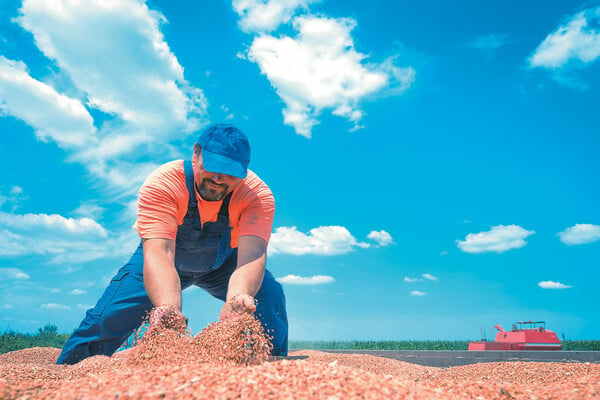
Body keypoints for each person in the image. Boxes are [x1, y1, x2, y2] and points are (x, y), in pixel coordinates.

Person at [57, 124, 288, 364]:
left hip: (223, 265)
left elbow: (252, 255)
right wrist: (169, 310)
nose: (219, 179)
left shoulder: (257, 196)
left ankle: (270, 367)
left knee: (270, 296)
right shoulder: (165, 183)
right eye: (213, 167)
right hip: (164, 257)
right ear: (196, 154)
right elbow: (160, 253)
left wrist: (238, 298)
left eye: (230, 173)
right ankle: (65, 373)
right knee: (104, 321)